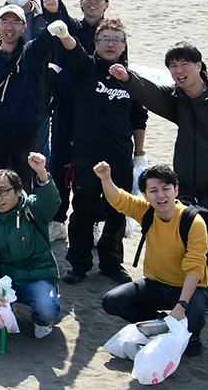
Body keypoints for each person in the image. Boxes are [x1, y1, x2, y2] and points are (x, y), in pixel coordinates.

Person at [112, 41, 208, 306]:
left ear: (199, 66)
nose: (178, 70)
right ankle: (188, 291)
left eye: (184, 64)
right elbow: (151, 94)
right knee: (186, 236)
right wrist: (129, 79)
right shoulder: (178, 98)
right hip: (185, 184)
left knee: (203, 237)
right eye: (173, 66)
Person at [58, 18, 146, 286]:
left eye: (116, 40)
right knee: (82, 209)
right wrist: (64, 34)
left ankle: (111, 262)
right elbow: (73, 50)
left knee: (117, 211)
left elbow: (138, 119)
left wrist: (139, 154)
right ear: (95, 43)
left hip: (120, 156)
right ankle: (79, 262)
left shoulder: (131, 78)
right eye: (105, 39)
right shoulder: (86, 68)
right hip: (86, 155)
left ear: (124, 45)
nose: (110, 44)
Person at [95, 162, 208, 356]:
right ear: (145, 195)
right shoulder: (146, 210)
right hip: (155, 284)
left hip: (187, 289)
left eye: (166, 189)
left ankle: (190, 336)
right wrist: (106, 179)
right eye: (154, 191)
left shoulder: (193, 221)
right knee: (112, 302)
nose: (161, 196)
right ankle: (160, 323)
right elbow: (119, 200)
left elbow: (195, 266)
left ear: (176, 190)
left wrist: (181, 306)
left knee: (193, 320)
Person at [0, 9, 78, 195]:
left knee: (23, 185)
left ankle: (23, 222)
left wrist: (53, 14)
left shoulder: (34, 52)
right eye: (4, 21)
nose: (10, 27)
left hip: (26, 131)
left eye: (16, 22)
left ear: (24, 27)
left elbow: (50, 33)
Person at [0, 153, 63, 339]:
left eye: (3, 191)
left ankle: (41, 322)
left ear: (18, 191)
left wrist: (41, 172)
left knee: (47, 310)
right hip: (4, 278)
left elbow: (52, 202)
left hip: (37, 276)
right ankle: (3, 313)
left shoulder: (33, 208)